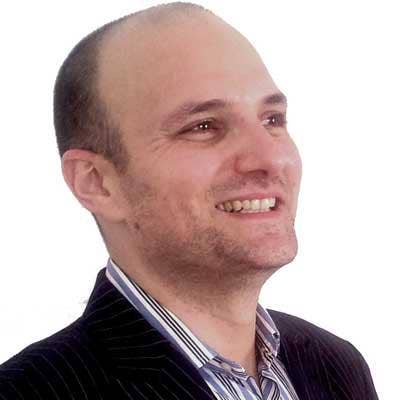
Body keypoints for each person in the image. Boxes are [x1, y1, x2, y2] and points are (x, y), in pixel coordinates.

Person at [0, 2, 379, 399]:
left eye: (272, 119)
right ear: (97, 183)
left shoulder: (336, 366)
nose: (270, 159)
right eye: (203, 126)